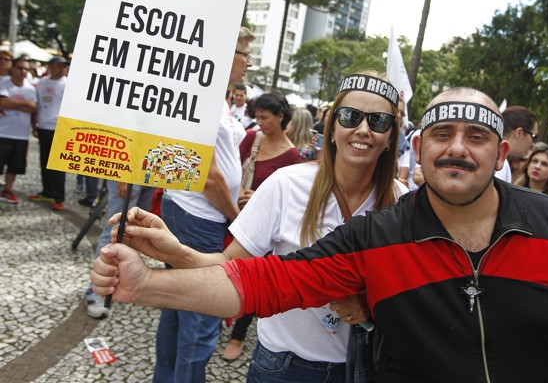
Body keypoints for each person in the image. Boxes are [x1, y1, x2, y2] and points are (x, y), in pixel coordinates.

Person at [92, 88, 548, 382]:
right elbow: (260, 283)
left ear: (501, 150)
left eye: (475, 136)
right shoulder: (376, 236)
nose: (457, 147)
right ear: (420, 148)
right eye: (441, 133)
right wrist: (145, 285)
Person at [103, 71, 405, 381]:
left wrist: (370, 305)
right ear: (331, 128)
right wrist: (177, 252)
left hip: (365, 366)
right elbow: (232, 266)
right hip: (285, 365)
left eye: (378, 121)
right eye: (351, 116)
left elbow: (410, 293)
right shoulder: (287, 185)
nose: (363, 129)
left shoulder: (403, 203)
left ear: (391, 137)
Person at [152, 27, 254, 383]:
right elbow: (207, 176)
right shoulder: (205, 98)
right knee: (202, 311)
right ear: (226, 55)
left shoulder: (217, 98)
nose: (248, 62)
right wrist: (235, 215)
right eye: (244, 54)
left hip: (190, 209)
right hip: (200, 216)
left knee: (179, 303)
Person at [224, 91, 302, 360]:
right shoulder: (252, 137)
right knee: (226, 267)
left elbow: (291, 200)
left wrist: (260, 197)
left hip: (266, 230)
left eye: (265, 118)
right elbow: (232, 169)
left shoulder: (292, 158)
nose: (260, 122)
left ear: (281, 117)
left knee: (251, 279)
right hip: (234, 216)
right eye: (257, 117)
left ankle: (238, 334)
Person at [84, 181, 155, 318]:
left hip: (151, 172)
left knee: (135, 228)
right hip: (129, 171)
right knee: (114, 229)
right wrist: (123, 178)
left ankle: (117, 285)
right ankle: (96, 292)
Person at [29, 56, 69, 210]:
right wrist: (34, 124)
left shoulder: (67, 83)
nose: (62, 69)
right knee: (44, 160)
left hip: (58, 127)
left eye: (64, 66)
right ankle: (47, 191)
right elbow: (37, 104)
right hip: (43, 125)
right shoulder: (41, 83)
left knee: (58, 163)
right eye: (59, 66)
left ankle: (59, 196)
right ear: (51, 66)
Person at [0, 57, 37, 204]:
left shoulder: (30, 89)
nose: (23, 71)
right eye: (20, 68)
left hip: (21, 134)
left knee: (15, 166)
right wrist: (25, 103)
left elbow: (34, 107)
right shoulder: (4, 84)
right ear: (13, 69)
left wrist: (11, 104)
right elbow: (2, 102)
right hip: (2, 132)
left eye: (26, 69)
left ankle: (8, 190)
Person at [495, 105, 537, 182]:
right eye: (533, 136)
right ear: (519, 133)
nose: (533, 143)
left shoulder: (492, 157)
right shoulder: (501, 165)